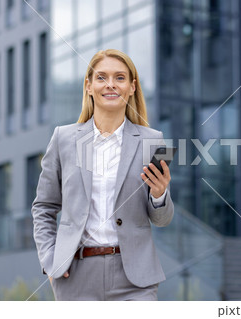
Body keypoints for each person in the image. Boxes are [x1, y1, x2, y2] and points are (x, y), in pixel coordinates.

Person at [31, 49, 174, 301]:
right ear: (88, 86)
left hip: (135, 279)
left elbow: (161, 220)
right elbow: (43, 207)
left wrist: (159, 195)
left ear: (132, 87)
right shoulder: (63, 139)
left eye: (120, 78)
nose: (110, 84)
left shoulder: (152, 141)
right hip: (76, 275)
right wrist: (49, 260)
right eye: (101, 77)